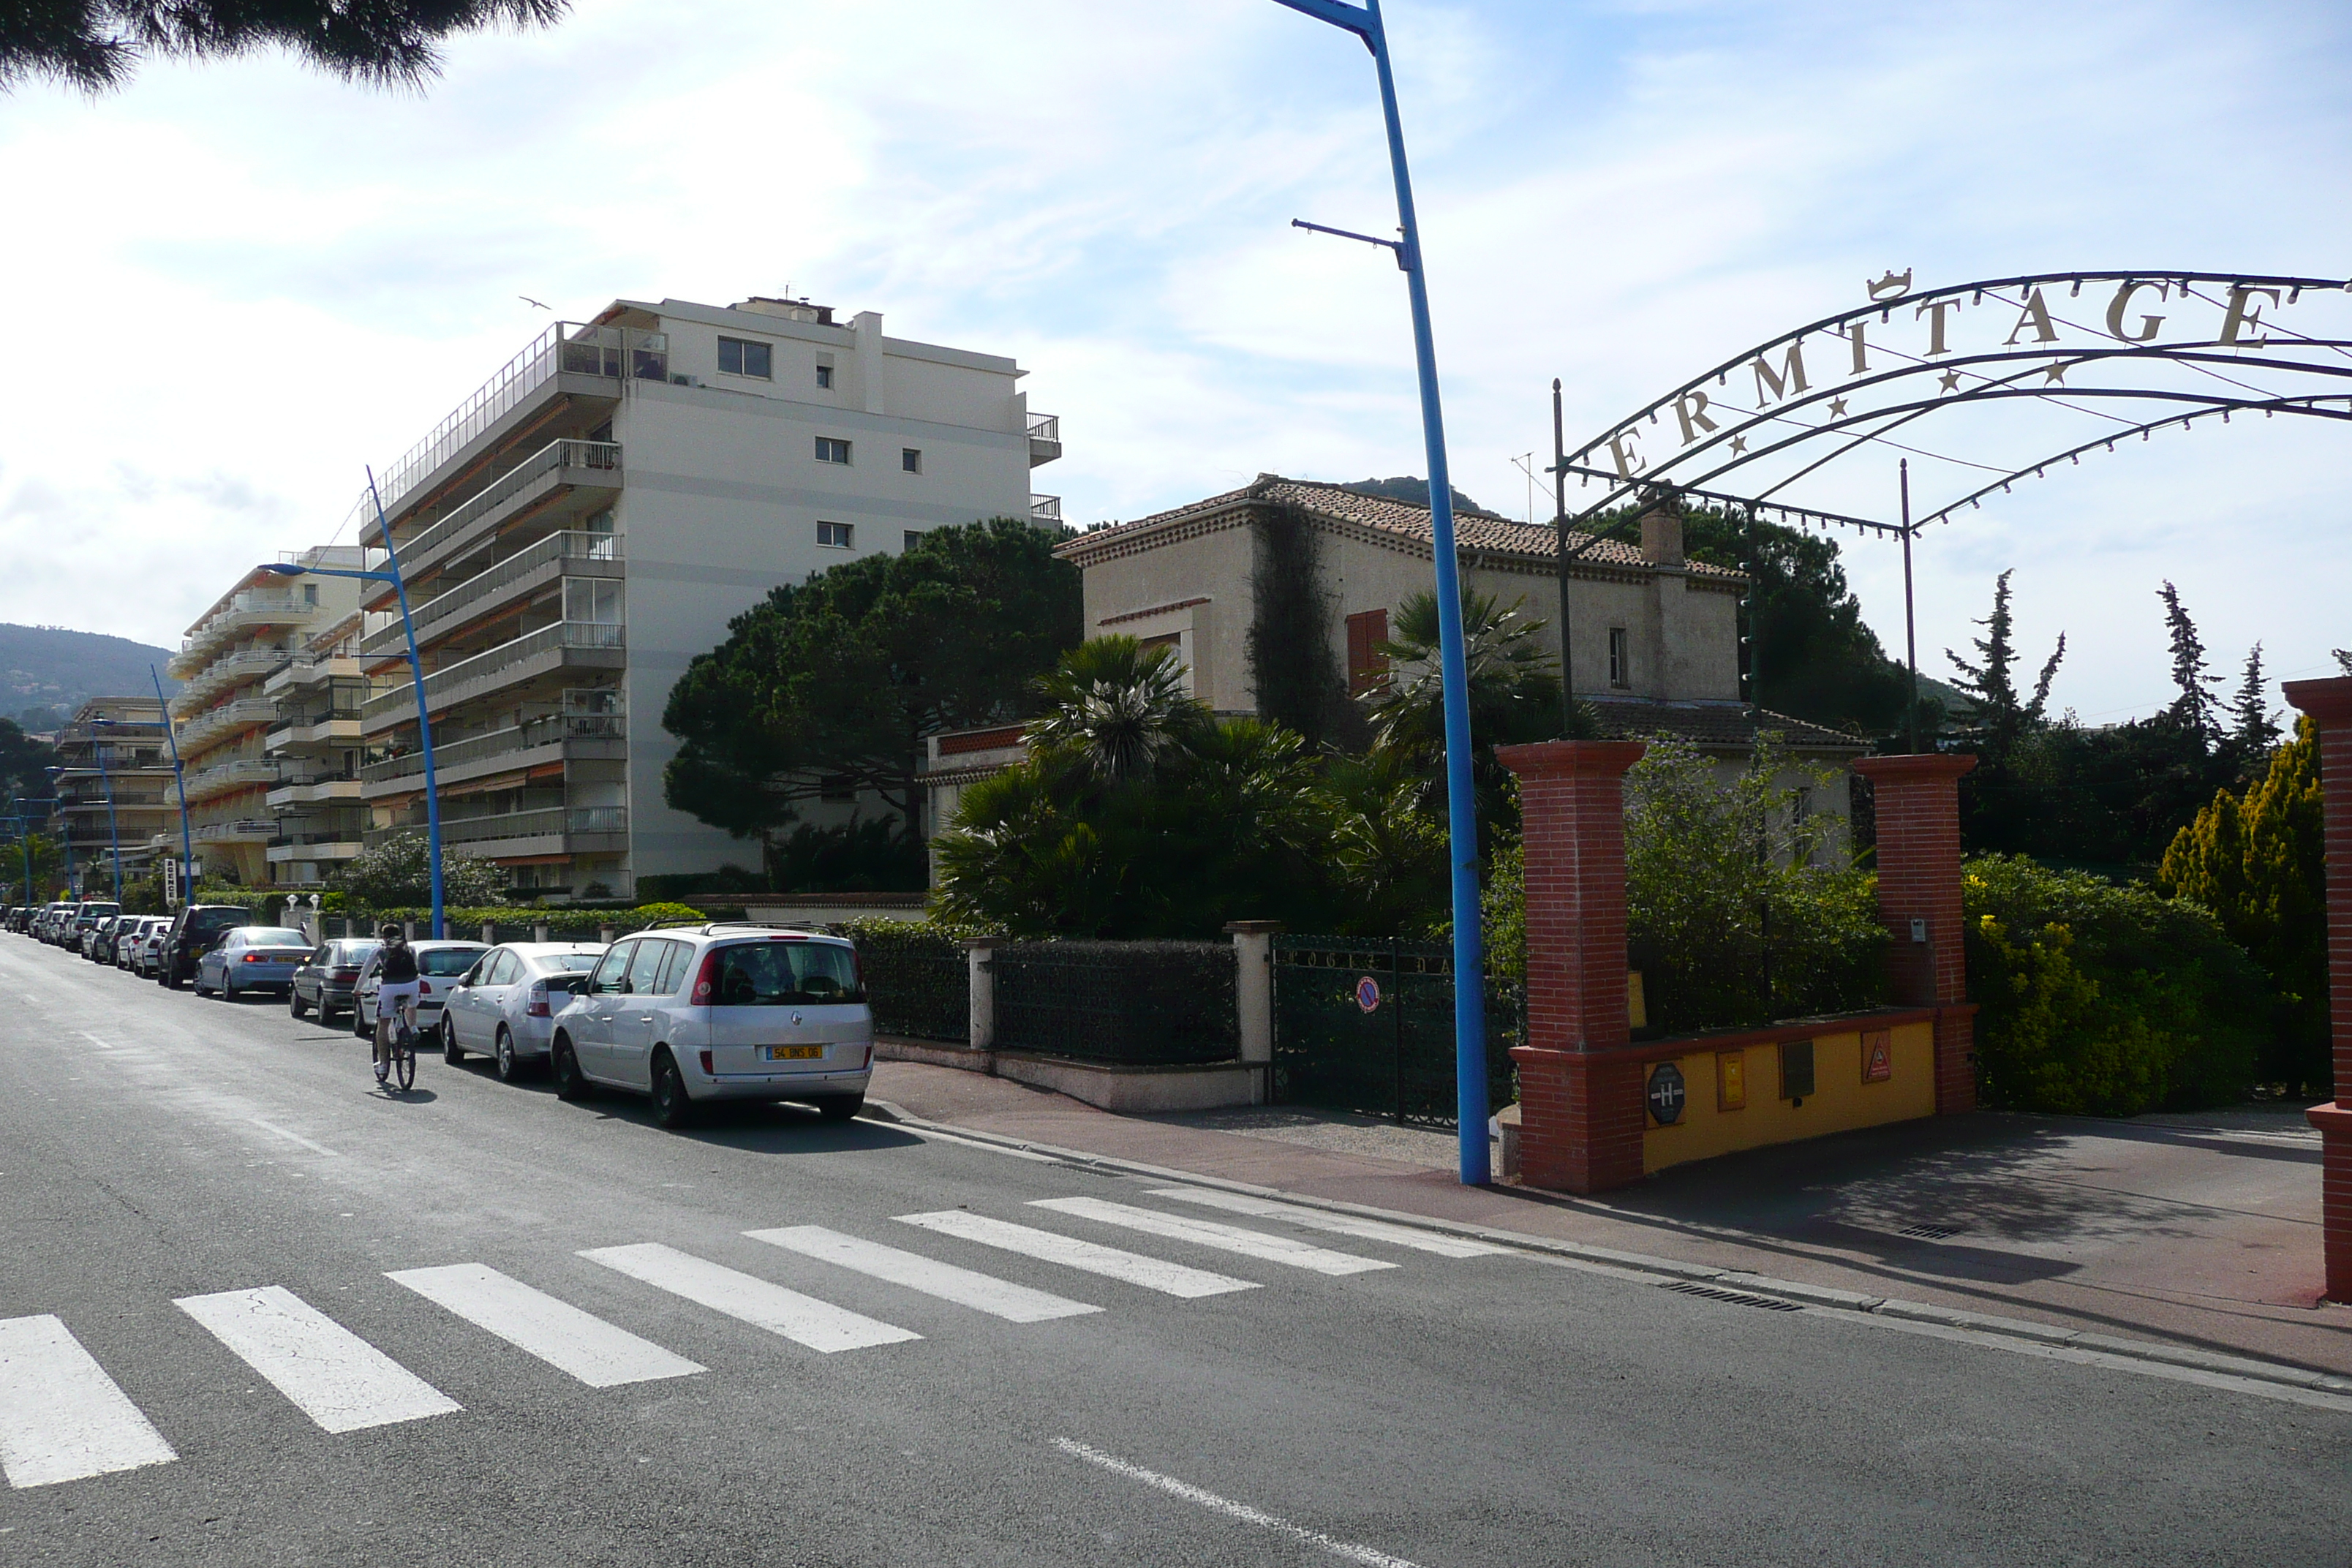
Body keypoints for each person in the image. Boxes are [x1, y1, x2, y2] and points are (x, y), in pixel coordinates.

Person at [372, 922, 421, 1085]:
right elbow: (415, 967)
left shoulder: (381, 949)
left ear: (383, 936)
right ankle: (413, 1028)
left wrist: (357, 990)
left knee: (383, 1024)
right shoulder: (409, 948)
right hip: (412, 985)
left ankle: (384, 1065)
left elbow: (366, 972)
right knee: (411, 1004)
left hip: (389, 987)